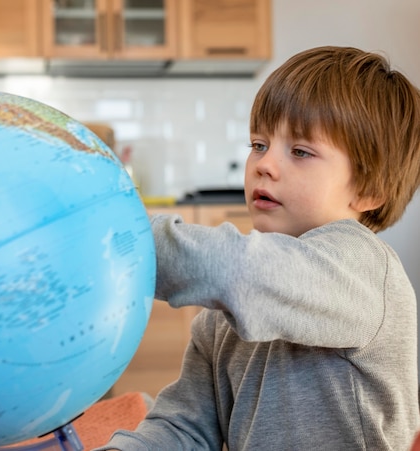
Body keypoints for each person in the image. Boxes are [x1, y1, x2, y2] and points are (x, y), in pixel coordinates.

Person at [96, 46, 420, 450]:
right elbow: (185, 427)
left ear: (371, 190)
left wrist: (111, 241)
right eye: (259, 144)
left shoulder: (365, 270)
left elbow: (243, 272)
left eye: (300, 152)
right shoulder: (221, 320)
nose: (263, 165)